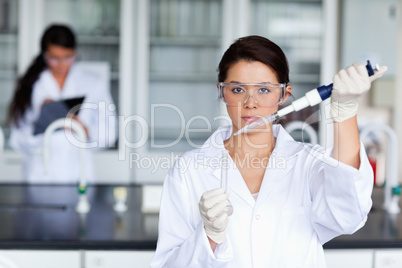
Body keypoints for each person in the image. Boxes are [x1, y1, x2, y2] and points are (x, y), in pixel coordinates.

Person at [151, 35, 387, 267]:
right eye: (237, 90)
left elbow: (348, 216)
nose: (250, 103)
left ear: (284, 94)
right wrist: (209, 237)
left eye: (264, 90)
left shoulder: (308, 163)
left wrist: (345, 113)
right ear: (222, 92)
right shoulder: (188, 171)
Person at [7, 24, 116, 183]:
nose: (62, 64)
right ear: (44, 55)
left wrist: (83, 129)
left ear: (75, 52)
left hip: (79, 173)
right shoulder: (30, 84)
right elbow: (17, 139)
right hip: (39, 176)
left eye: (68, 57)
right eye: (54, 58)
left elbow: (110, 134)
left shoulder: (93, 83)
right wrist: (42, 119)